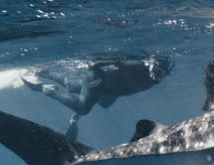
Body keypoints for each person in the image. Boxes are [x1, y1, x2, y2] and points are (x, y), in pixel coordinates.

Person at [23, 52, 173, 139]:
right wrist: (95, 65)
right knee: (83, 109)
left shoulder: (153, 81)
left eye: (162, 75)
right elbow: (114, 62)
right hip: (98, 80)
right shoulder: (138, 65)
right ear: (151, 64)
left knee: (72, 86)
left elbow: (126, 87)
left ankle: (45, 73)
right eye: (157, 71)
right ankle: (46, 89)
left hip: (105, 89)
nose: (157, 76)